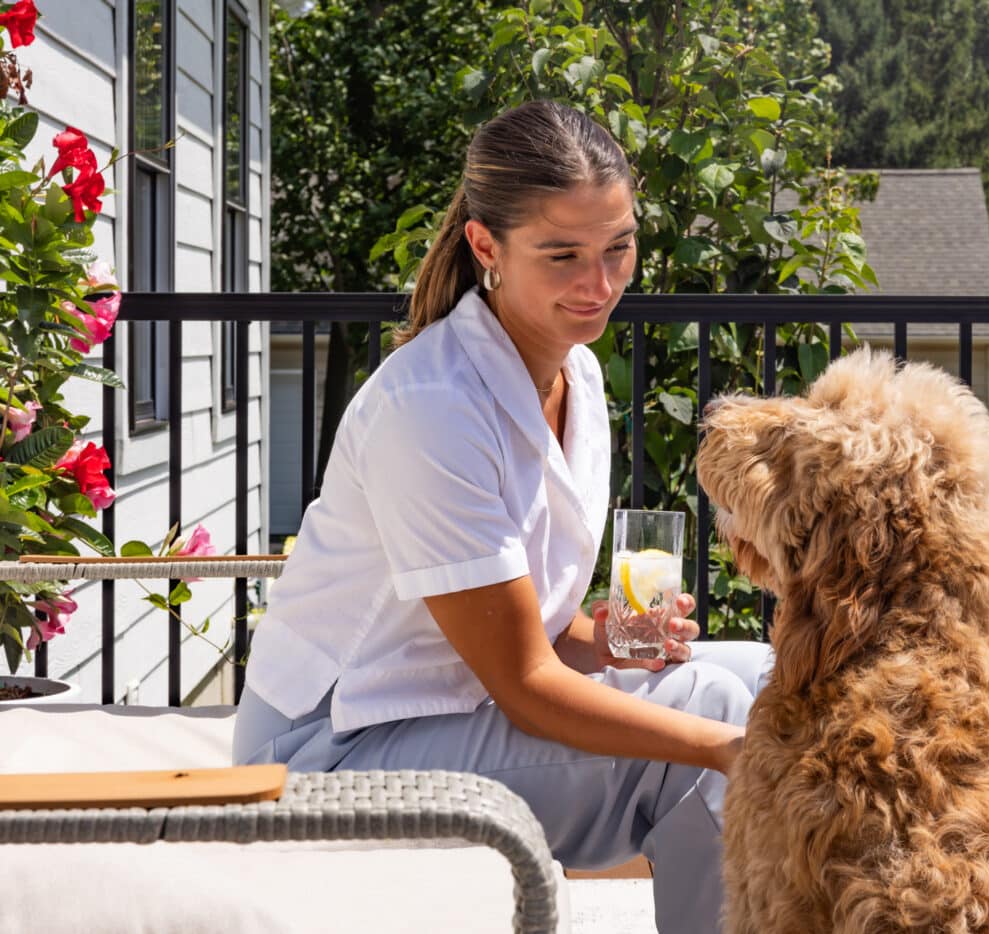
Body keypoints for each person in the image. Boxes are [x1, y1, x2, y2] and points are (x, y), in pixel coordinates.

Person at [233, 100, 771, 934]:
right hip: (329, 752)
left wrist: (598, 639)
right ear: (487, 247)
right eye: (563, 256)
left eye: (618, 247)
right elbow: (522, 683)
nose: (600, 285)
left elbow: (516, 635)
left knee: (765, 677)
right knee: (717, 715)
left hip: (453, 709)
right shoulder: (433, 408)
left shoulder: (575, 377)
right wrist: (725, 750)